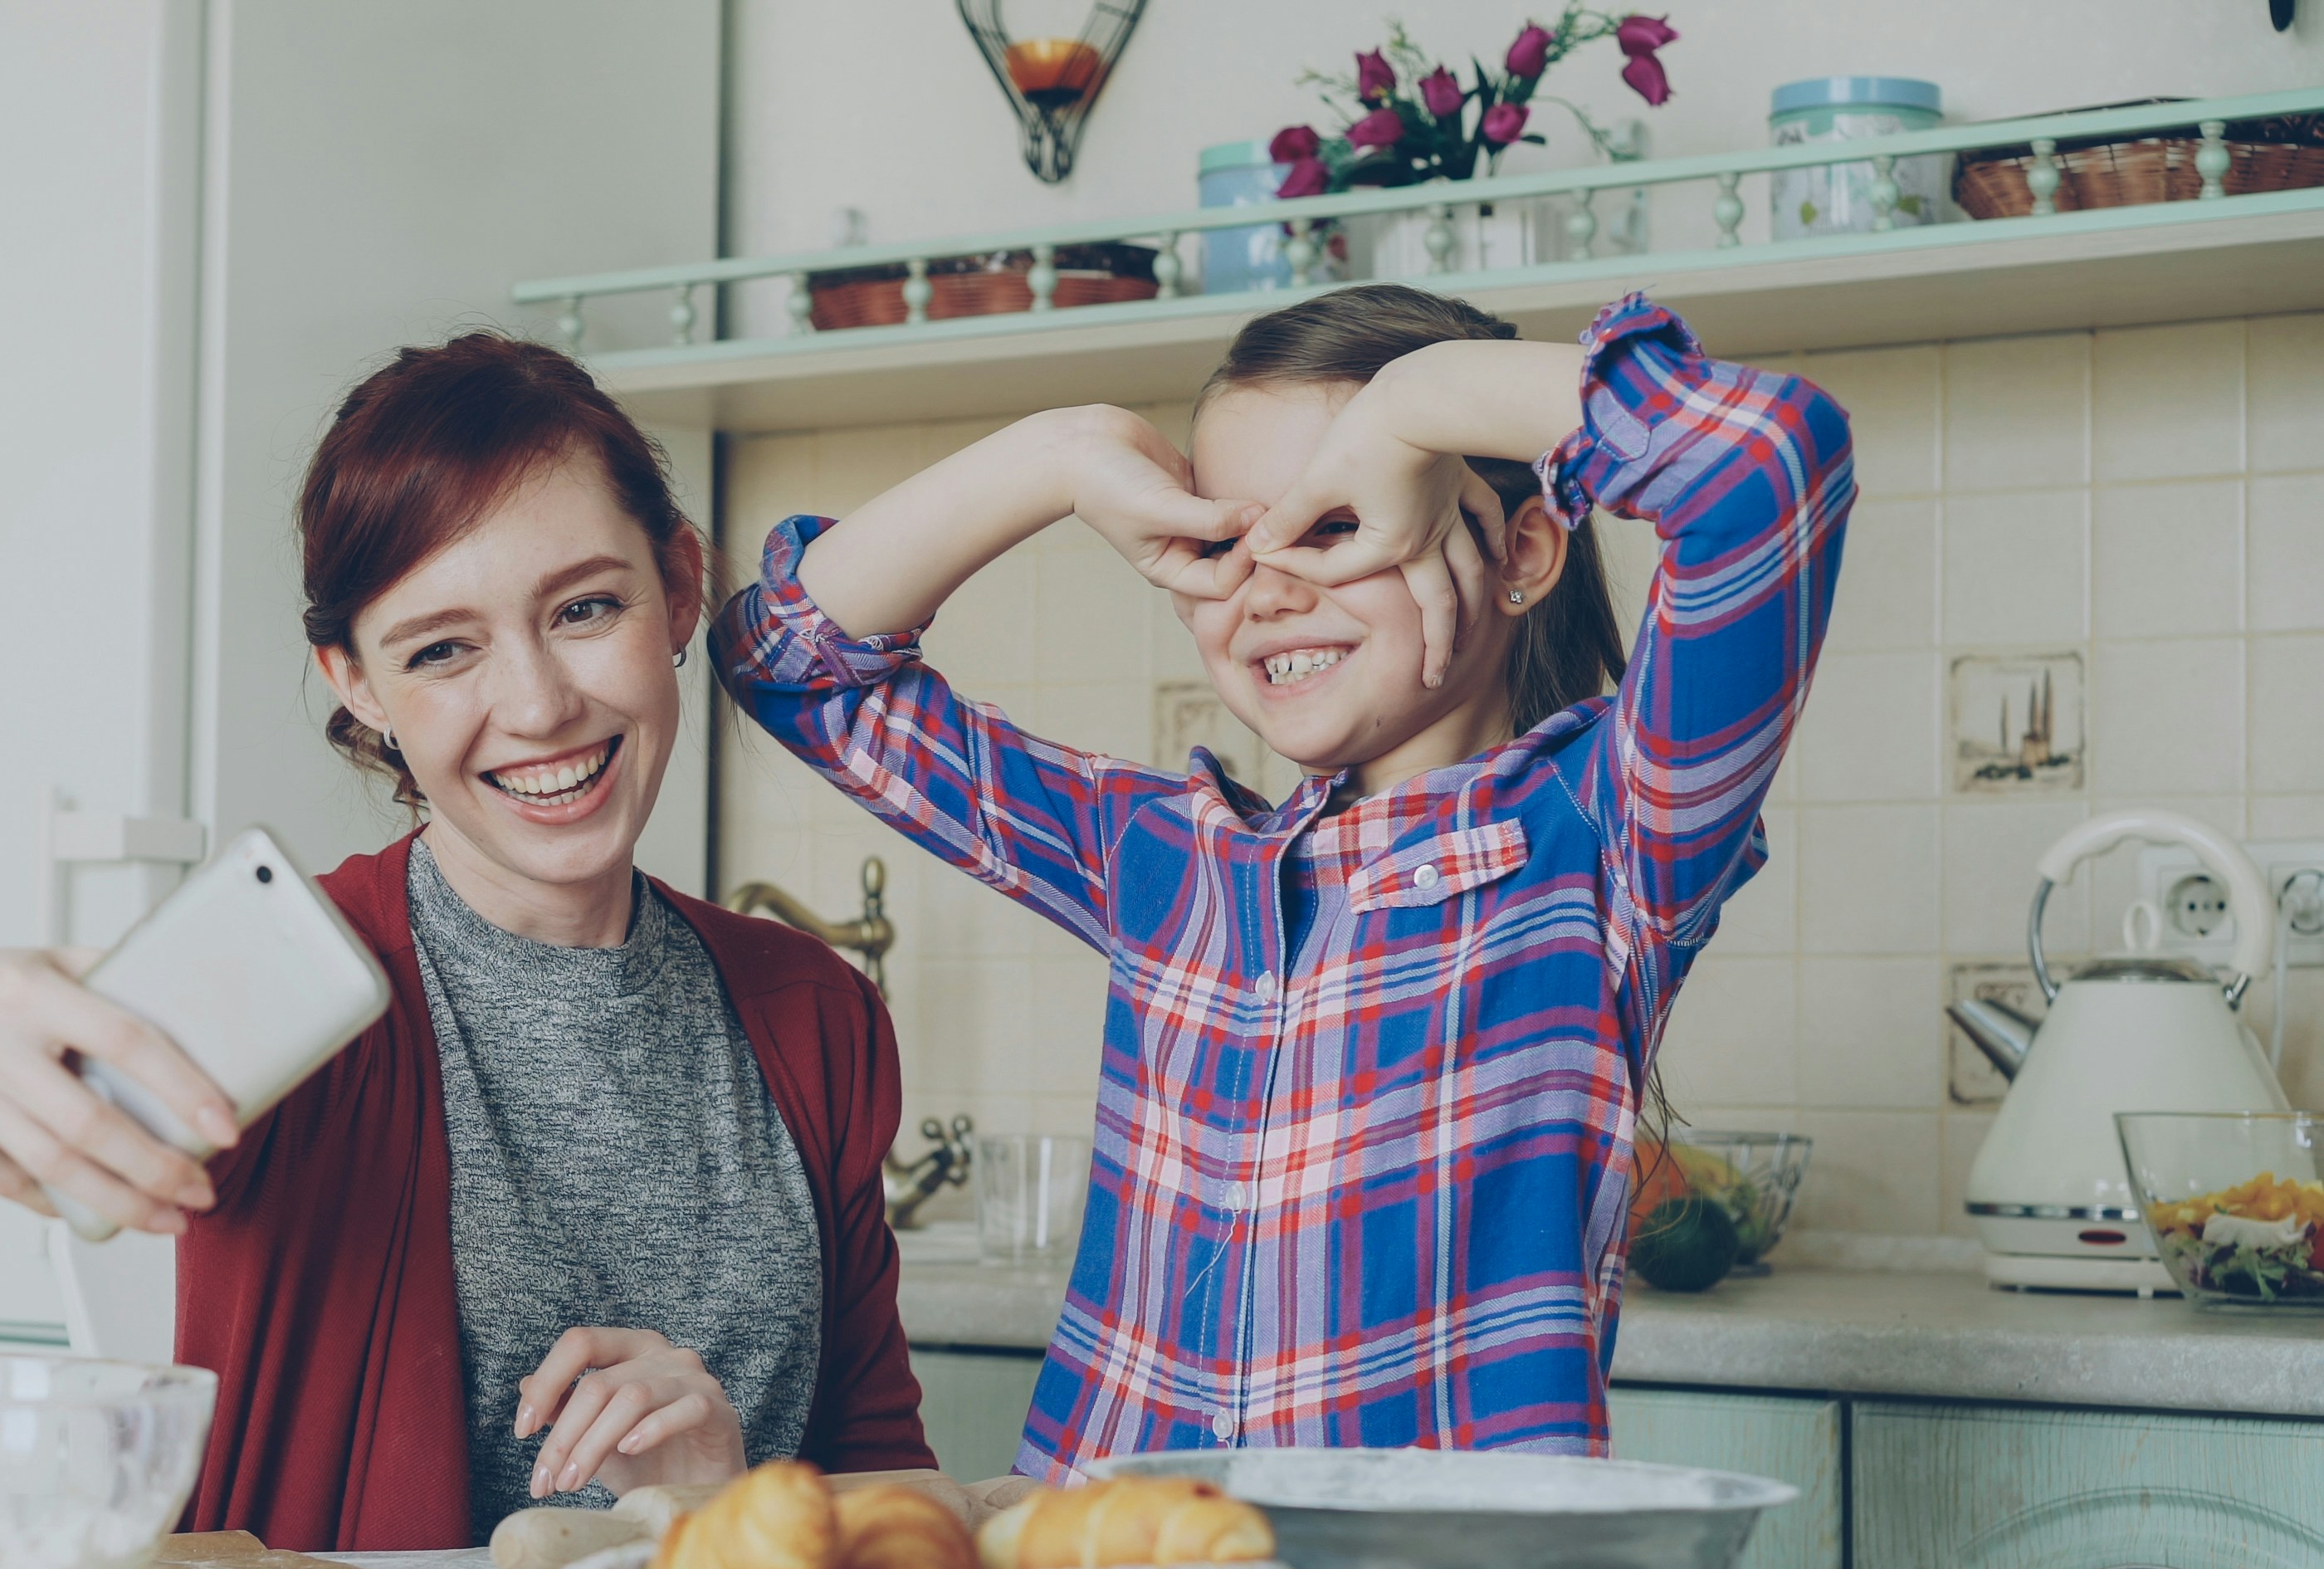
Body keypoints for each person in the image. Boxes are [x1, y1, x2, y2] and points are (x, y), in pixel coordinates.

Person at [713, 288, 1853, 1474]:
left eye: (1334, 525)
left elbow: (1768, 464)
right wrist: (1054, 456)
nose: (1263, 591)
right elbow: (791, 662)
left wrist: (1418, 405)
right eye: (1224, 544)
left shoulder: (1605, 837)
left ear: (1518, 550)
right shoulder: (1165, 854)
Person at [0, 333, 932, 1550]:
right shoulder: (280, 986)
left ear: (678, 589)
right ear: (355, 680)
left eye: (584, 607)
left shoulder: (811, 1013)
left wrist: (728, 1503)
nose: (536, 705)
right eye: (441, 648)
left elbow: (890, 1500)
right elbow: (4, 1054)